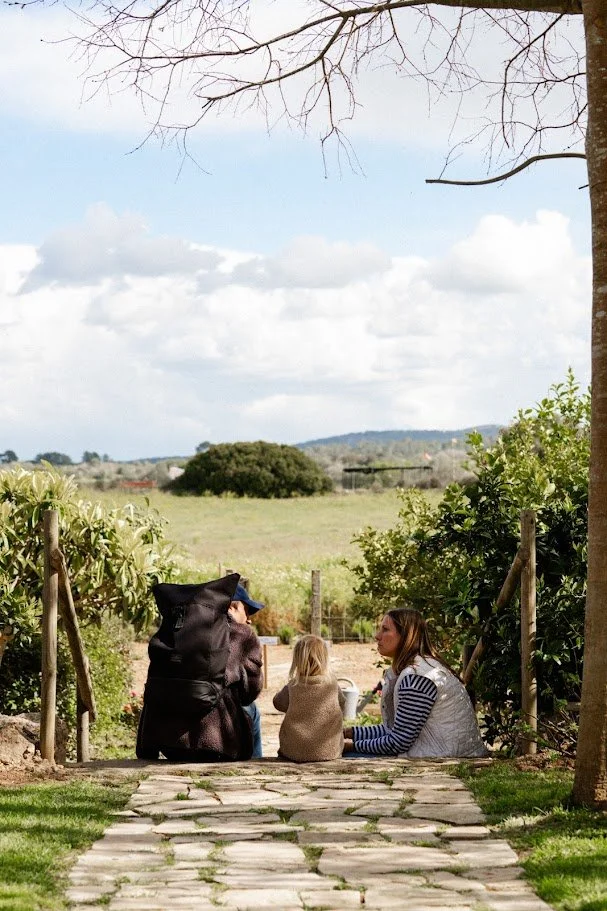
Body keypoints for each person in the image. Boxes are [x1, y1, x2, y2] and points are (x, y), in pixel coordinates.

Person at [343, 609, 488, 758]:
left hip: (444, 758)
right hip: (446, 753)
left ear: (406, 636)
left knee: (343, 756)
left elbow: (397, 742)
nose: (377, 636)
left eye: (385, 630)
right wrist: (348, 733)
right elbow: (393, 729)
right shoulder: (420, 668)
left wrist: (349, 746)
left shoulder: (417, 677)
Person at [273, 634, 345, 762]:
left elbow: (278, 703)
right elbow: (342, 702)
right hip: (330, 752)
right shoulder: (332, 685)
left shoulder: (293, 686)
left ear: (297, 661)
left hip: (293, 752)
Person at [229, 582, 266, 758]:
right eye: (248, 611)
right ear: (233, 607)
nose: (249, 620)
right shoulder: (241, 636)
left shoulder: (197, 628)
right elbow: (252, 689)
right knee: (251, 708)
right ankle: (255, 764)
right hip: (217, 712)